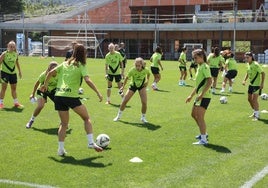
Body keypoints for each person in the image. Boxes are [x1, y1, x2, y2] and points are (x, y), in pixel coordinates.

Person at [42, 44, 103, 156]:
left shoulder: (65, 63)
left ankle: (60, 150)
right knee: (86, 118)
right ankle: (90, 143)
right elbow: (88, 80)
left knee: (64, 124)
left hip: (58, 96)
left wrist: (45, 85)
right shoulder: (81, 65)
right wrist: (98, 92)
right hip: (70, 96)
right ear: (83, 54)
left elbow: (50, 73)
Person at [185, 49, 212, 145]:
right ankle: (204, 133)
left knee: (200, 117)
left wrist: (202, 94)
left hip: (205, 96)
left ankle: (204, 139)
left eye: (196, 58)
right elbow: (198, 85)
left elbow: (210, 81)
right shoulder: (200, 67)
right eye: (193, 58)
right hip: (199, 95)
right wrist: (191, 96)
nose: (194, 60)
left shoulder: (205, 67)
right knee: (193, 114)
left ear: (201, 57)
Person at [113, 57, 150, 123]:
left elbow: (148, 74)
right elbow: (126, 78)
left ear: (142, 65)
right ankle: (118, 116)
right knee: (124, 101)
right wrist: (123, 86)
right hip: (133, 86)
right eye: (136, 65)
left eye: (138, 65)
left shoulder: (146, 70)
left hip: (142, 86)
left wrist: (147, 81)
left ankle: (143, 118)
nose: (137, 67)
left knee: (144, 103)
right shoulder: (132, 70)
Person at [25, 61, 58, 128]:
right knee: (40, 106)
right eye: (52, 68)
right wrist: (32, 94)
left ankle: (63, 123)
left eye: (55, 68)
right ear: (49, 69)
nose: (54, 70)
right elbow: (37, 84)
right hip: (42, 91)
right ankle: (31, 120)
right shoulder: (44, 75)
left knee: (61, 105)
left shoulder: (60, 74)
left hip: (53, 91)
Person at [0, 40, 23, 109]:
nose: (12, 48)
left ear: (15, 47)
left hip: (13, 74)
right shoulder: (4, 54)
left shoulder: (15, 54)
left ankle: (16, 103)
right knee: (4, 88)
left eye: (13, 47)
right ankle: (1, 103)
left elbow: (17, 62)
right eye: (10, 46)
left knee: (14, 88)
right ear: (8, 46)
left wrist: (19, 71)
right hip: (4, 73)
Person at [242, 52, 265, 121]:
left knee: (254, 100)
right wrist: (244, 80)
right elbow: (247, 72)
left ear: (251, 57)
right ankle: (255, 112)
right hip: (251, 84)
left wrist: (262, 83)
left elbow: (263, 73)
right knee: (249, 99)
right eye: (245, 57)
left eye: (248, 57)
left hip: (256, 85)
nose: (246, 59)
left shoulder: (256, 64)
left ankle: (257, 115)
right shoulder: (248, 64)